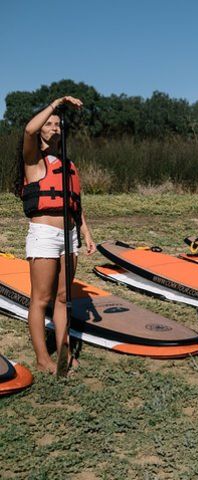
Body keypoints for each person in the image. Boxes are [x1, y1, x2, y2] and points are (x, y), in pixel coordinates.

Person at [15, 96, 97, 374]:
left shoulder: (69, 166)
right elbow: (28, 130)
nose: (53, 127)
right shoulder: (33, 160)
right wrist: (56, 104)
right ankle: (42, 358)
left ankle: (64, 349)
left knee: (63, 297)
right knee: (40, 299)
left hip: (69, 235)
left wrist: (85, 232)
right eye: (48, 124)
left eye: (57, 124)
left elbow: (75, 202)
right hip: (44, 235)